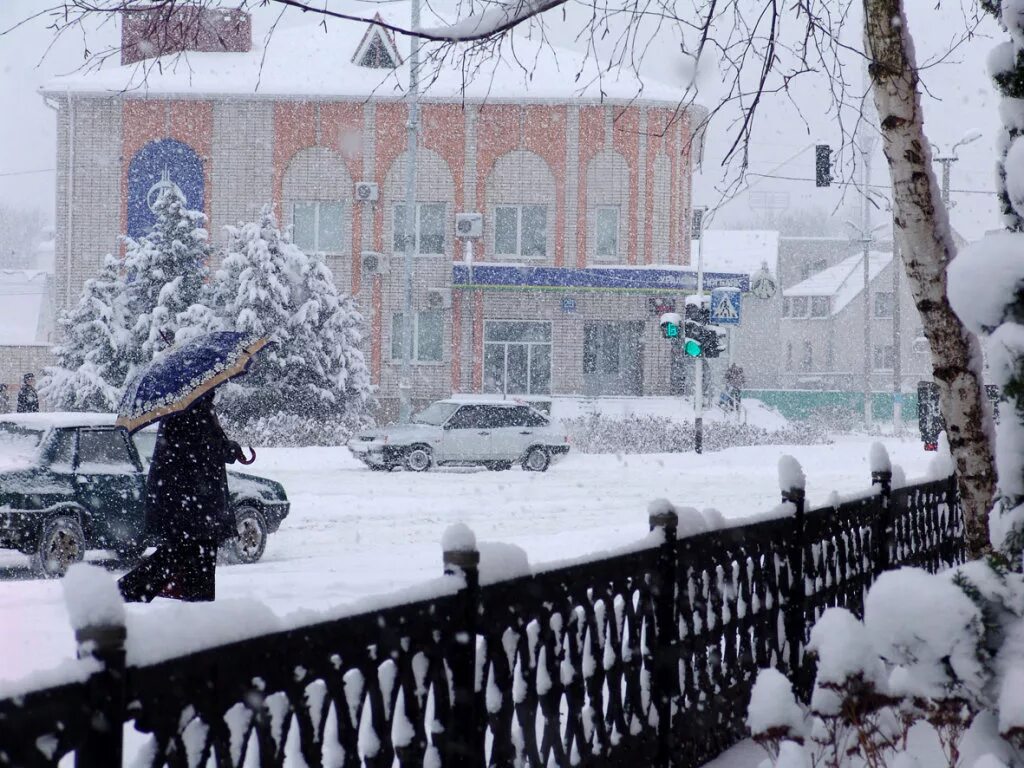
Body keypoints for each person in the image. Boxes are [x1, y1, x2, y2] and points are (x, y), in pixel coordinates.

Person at [118, 393, 244, 602]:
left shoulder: (181, 407)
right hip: (193, 506)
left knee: (185, 557)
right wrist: (228, 449)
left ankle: (195, 606)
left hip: (186, 504)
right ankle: (123, 593)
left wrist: (225, 448)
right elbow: (203, 450)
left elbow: (200, 449)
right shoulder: (194, 410)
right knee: (183, 556)